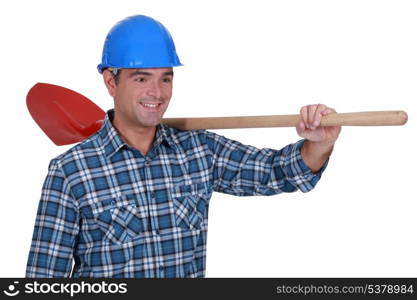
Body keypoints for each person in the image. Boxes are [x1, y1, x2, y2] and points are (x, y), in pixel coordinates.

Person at [26, 15, 340, 278]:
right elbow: (43, 282)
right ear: (111, 82)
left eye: (166, 78)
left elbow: (276, 172)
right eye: (141, 79)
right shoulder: (70, 172)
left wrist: (319, 144)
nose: (157, 92)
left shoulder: (198, 150)